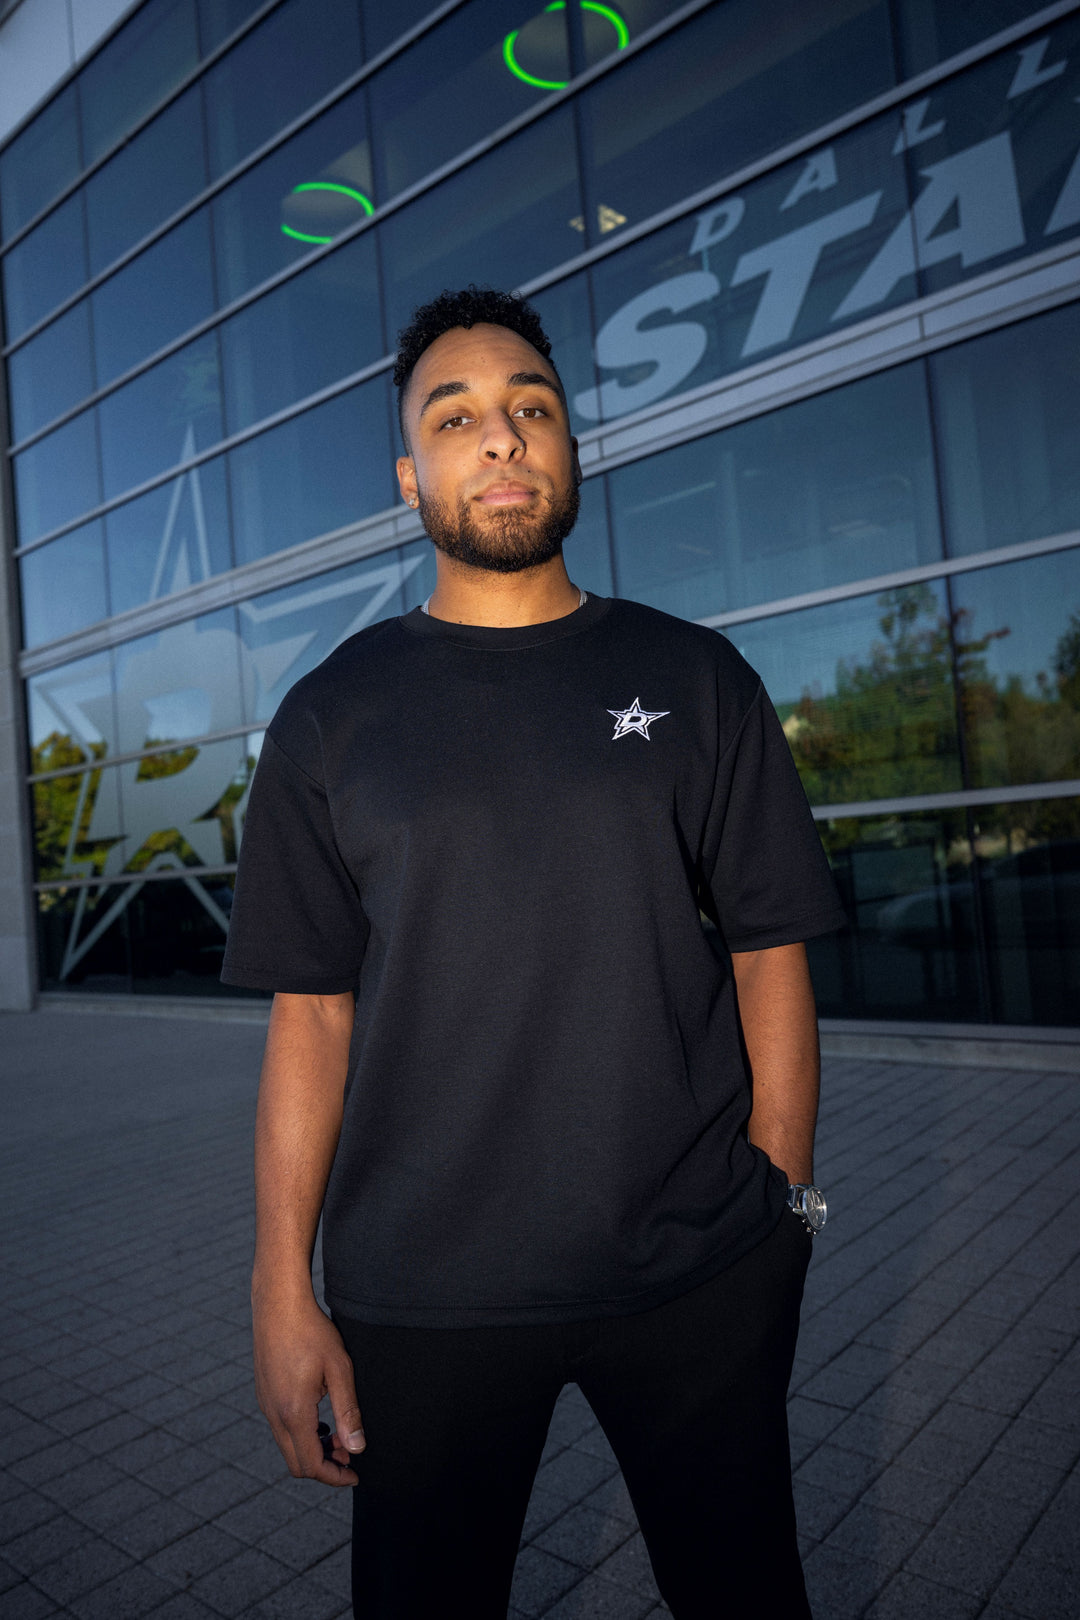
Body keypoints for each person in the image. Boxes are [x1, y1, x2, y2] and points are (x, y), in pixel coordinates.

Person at [221, 284, 846, 1619]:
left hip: (694, 1273)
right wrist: (283, 1285)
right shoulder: (330, 718)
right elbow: (312, 1018)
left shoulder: (696, 678)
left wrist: (783, 1214)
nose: (498, 438)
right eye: (457, 418)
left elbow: (769, 953)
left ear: (570, 446)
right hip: (418, 1296)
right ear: (412, 474)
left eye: (530, 409)